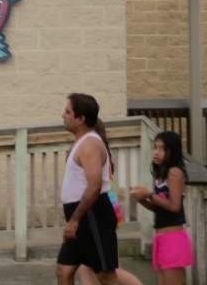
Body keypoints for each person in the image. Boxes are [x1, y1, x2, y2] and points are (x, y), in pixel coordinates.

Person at [56, 93, 120, 285]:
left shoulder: (90, 144)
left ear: (81, 119)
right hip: (81, 217)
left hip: (92, 215)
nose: (63, 115)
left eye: (68, 112)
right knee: (63, 270)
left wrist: (75, 219)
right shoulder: (82, 142)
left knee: (105, 276)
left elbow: (95, 185)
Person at [79, 120, 143, 285]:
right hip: (108, 208)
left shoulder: (92, 152)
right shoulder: (100, 152)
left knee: (103, 268)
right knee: (91, 265)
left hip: (100, 209)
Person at [130, 132, 193, 284]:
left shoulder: (174, 173)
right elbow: (158, 207)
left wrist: (149, 194)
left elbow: (174, 206)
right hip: (160, 238)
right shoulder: (159, 175)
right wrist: (141, 198)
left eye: (162, 149)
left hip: (173, 239)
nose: (156, 152)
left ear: (172, 151)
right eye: (155, 147)